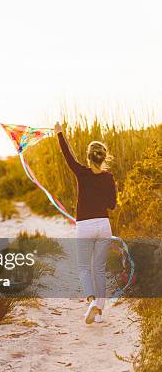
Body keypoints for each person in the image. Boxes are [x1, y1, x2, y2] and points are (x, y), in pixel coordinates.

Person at [55, 122, 117, 324]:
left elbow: (67, 157)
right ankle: (99, 311)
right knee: (99, 269)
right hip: (103, 225)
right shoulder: (109, 177)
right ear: (104, 156)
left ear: (89, 157)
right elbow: (112, 205)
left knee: (83, 268)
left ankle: (91, 301)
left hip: (85, 226)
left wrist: (60, 134)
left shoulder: (81, 173)